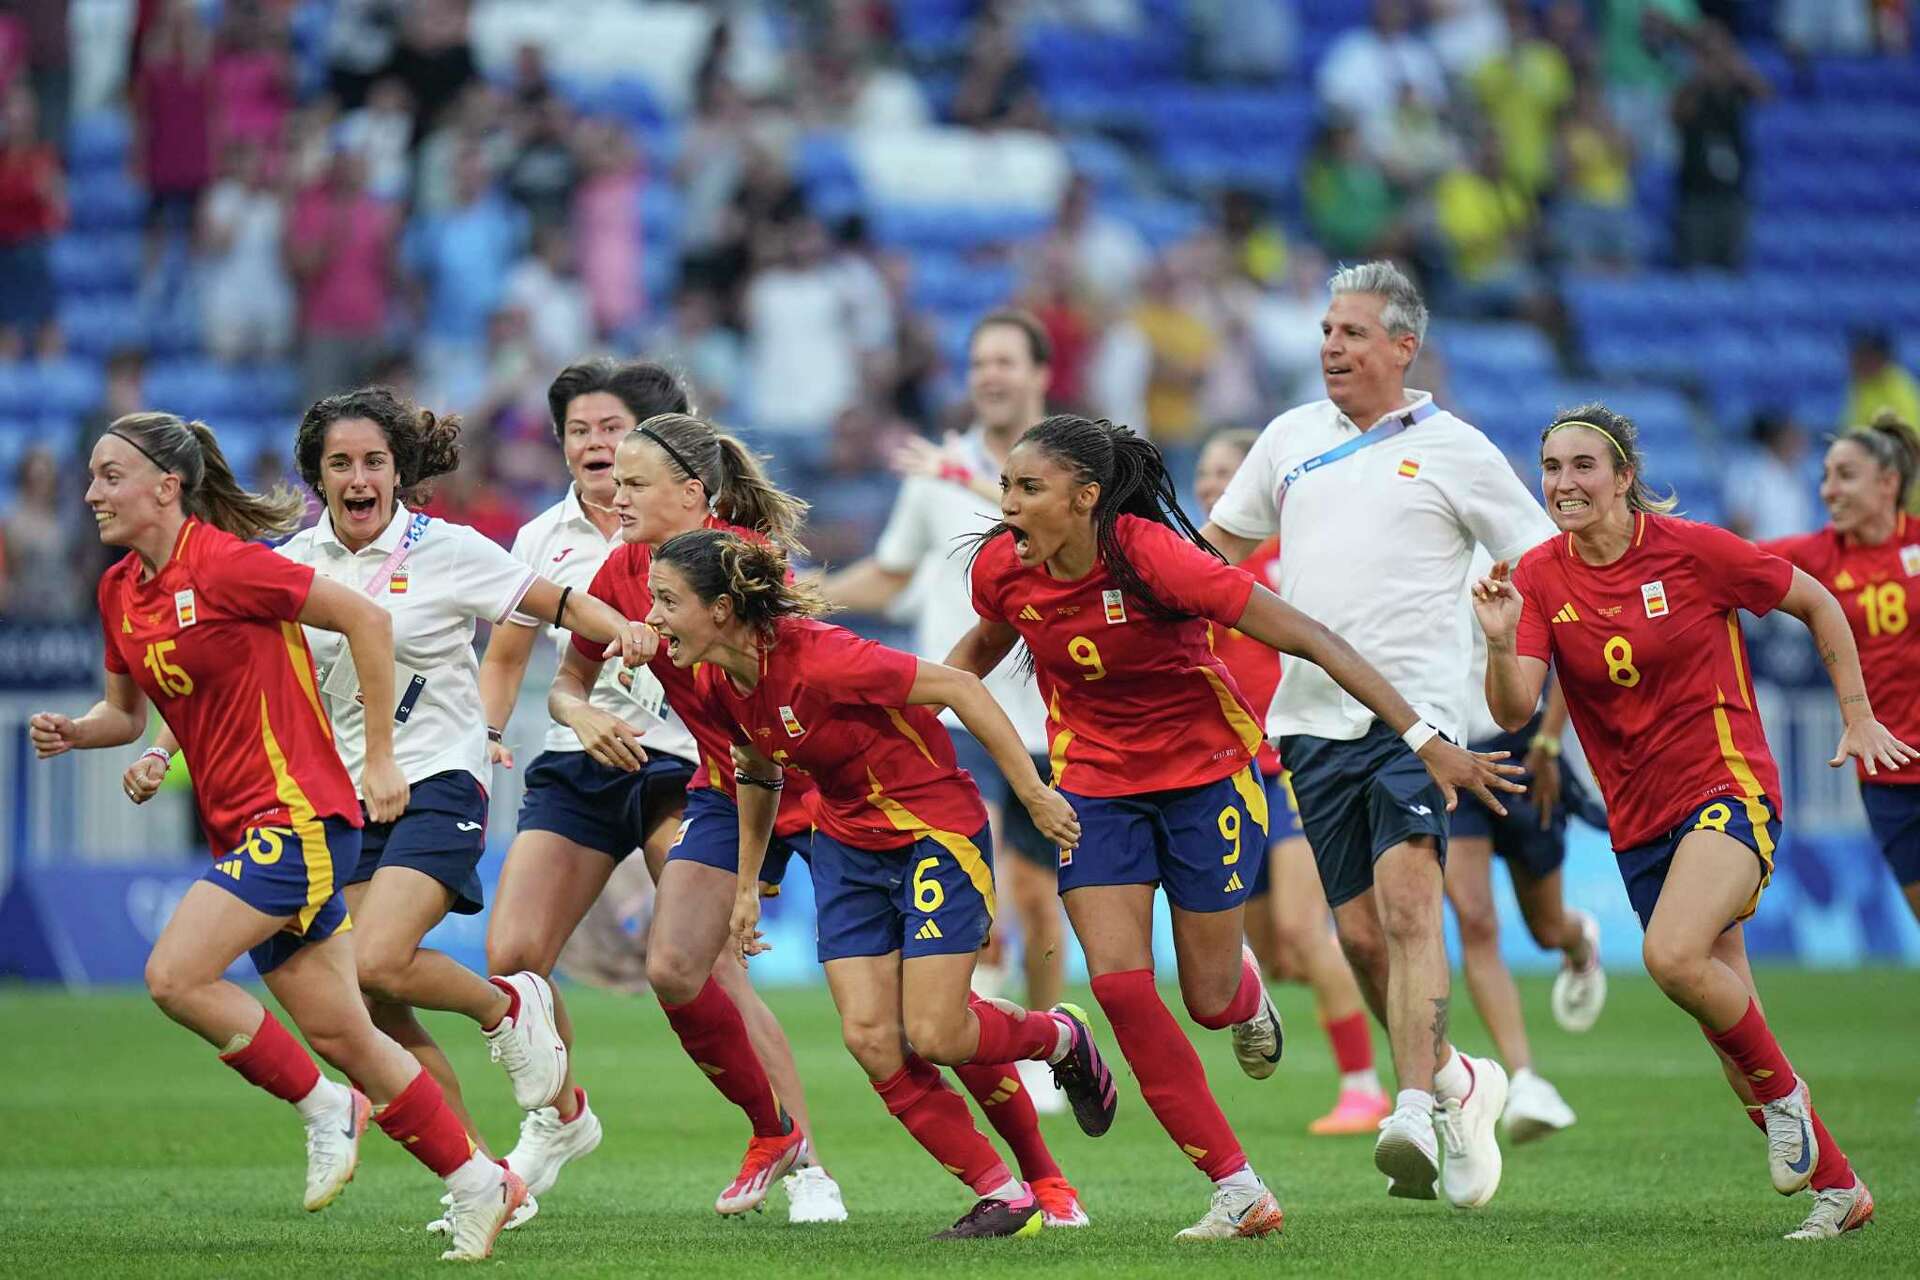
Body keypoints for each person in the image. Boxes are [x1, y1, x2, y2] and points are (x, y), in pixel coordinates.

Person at [953, 414, 1519, 1237]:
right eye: (1005, 486)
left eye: (1028, 488)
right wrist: (899, 720)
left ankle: (1246, 994)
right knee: (1117, 986)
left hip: (1207, 782)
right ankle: (1237, 1188)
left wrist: (1428, 739)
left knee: (1210, 1000)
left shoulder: (1154, 557)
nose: (1006, 505)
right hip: (1095, 790)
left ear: (1084, 499)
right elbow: (971, 656)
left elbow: (1316, 640)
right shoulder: (1003, 569)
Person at [125, 388, 651, 1234]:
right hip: (336, 800)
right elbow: (225, 677)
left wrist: (627, 628)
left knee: (378, 957)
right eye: (341, 463)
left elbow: (555, 602)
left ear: (400, 472)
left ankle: (507, 1007)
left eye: (374, 461)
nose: (359, 477)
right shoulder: (294, 560)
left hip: (438, 776)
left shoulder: (448, 550)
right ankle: (482, 1175)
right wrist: (160, 748)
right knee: (369, 1007)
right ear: (317, 476)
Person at [33, 413, 523, 1261]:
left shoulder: (226, 564)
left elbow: (367, 622)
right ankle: (481, 1182)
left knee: (175, 974)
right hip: (244, 829)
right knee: (348, 1034)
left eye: (110, 475)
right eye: (90, 476)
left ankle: (325, 1107)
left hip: (298, 816)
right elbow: (124, 711)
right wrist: (82, 732)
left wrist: (375, 760)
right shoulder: (120, 590)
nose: (91, 494)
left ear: (165, 485)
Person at [1475, 402, 1910, 1241]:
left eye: (1583, 467)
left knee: (1671, 956)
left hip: (1727, 786)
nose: (1564, 483)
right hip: (1637, 822)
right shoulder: (1534, 575)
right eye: (1552, 468)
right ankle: (1840, 1188)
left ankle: (1788, 1100)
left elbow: (1819, 601)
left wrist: (1855, 715)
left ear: (1624, 477)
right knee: (1726, 1019)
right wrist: (1497, 643)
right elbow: (1516, 706)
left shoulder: (1694, 551)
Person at [648, 529, 1117, 1240]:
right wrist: (746, 883)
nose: (652, 617)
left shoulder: (823, 658)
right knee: (870, 1038)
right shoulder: (718, 681)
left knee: (935, 1031)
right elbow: (757, 769)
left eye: (665, 601)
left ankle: (1058, 1038)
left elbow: (959, 685)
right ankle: (1004, 1192)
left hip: (932, 830)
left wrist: (1030, 790)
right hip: (846, 843)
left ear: (719, 609)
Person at [1199, 261, 1546, 1209]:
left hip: (1419, 721)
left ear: (1404, 345)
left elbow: (1542, 565)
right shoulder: (1288, 439)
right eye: (1324, 331)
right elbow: (1216, 559)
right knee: (1356, 941)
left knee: (1405, 912)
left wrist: (1519, 653)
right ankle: (1459, 1080)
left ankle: (1408, 1110)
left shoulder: (1460, 450)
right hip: (1309, 727)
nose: (1331, 349)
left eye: (1352, 333)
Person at [475, 359, 835, 1222]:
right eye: (579, 432)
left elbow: (777, 698)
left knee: (698, 963)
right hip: (586, 761)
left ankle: (807, 1162)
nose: (596, 449)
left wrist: (753, 870)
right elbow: (549, 674)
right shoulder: (550, 543)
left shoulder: (735, 557)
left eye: (614, 434)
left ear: (669, 461)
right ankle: (559, 1118)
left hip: (699, 769)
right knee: (512, 958)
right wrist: (547, 722)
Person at [822, 309, 1068, 1112]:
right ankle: (983, 1034)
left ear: (1040, 372)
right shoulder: (936, 472)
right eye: (977, 362)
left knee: (1040, 901)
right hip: (954, 717)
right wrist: (797, 595)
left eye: (1004, 361)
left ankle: (1047, 1038)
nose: (989, 375)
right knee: (983, 880)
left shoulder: (1067, 468)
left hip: (1051, 716)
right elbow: (891, 577)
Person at [1193, 428, 1392, 1137]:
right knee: (1274, 956)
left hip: (1293, 766)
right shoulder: (1194, 569)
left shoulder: (1289, 564)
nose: (1216, 484)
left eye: (1230, 471)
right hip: (1228, 774)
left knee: (1306, 933)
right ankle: (1388, 996)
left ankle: (1366, 1085)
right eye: (1208, 472)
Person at [1449, 562, 1602, 1143]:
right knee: (1475, 920)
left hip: (1521, 748)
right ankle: (1525, 1079)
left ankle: (1577, 941)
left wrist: (1548, 739)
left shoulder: (1508, 546)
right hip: (1449, 754)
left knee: (1545, 927)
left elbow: (1571, 644)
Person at [1759, 415, 1920, 924]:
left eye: (1845, 475)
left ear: (1888, 483)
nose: (1829, 490)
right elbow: (1722, 563)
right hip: (1887, 776)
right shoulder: (1816, 556)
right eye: (1825, 476)